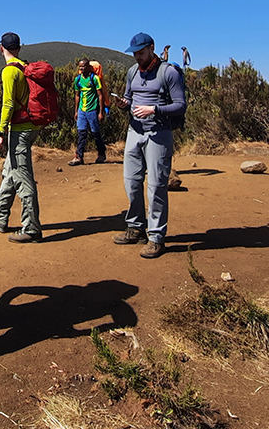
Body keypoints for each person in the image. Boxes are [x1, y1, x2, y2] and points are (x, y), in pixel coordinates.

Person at [110, 33, 186, 259]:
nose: (137, 57)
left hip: (158, 134)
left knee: (156, 186)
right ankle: (135, 229)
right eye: (134, 53)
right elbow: (129, 98)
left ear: (152, 48)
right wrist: (124, 104)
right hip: (134, 131)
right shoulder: (132, 72)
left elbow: (180, 105)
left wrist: (154, 109)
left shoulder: (168, 72)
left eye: (141, 53)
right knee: (131, 182)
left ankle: (156, 238)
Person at [0, 32, 41, 243]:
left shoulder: (9, 72)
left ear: (1, 48)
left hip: (19, 130)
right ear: (19, 48)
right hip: (31, 126)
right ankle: (0, 216)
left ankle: (32, 228)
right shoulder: (25, 67)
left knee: (23, 178)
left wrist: (0, 132)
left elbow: (7, 104)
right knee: (10, 170)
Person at [69, 59, 106, 166]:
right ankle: (79, 157)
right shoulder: (78, 80)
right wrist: (76, 111)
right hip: (82, 110)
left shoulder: (94, 79)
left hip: (92, 110)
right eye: (80, 66)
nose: (81, 68)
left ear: (88, 67)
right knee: (81, 133)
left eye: (83, 66)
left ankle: (101, 153)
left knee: (95, 133)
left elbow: (100, 95)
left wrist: (101, 112)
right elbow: (77, 95)